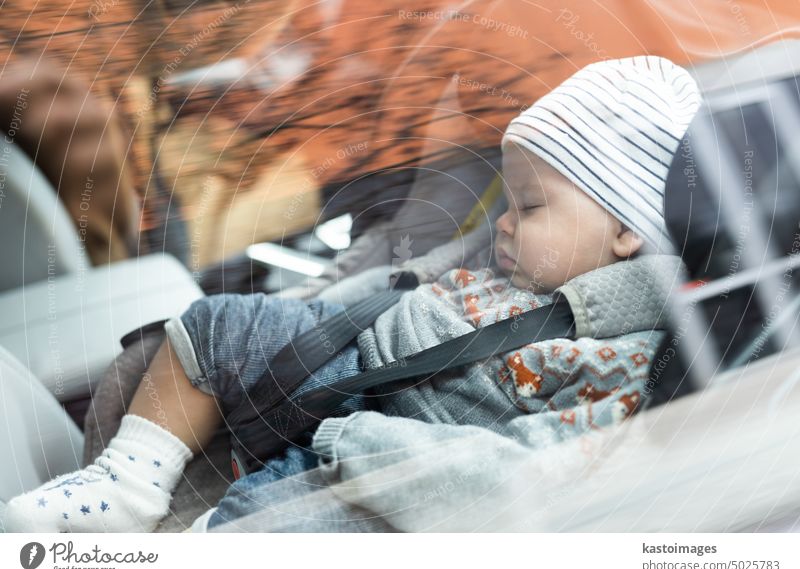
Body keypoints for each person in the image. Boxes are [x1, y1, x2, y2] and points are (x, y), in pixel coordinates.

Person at [3, 55, 701, 533]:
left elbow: (534, 470)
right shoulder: (518, 258)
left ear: (626, 231)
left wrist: (361, 440)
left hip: (410, 442)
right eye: (507, 205)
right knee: (215, 324)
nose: (505, 223)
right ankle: (125, 484)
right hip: (360, 357)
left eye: (529, 206)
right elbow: (403, 281)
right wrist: (327, 303)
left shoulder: (628, 356)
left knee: (275, 518)